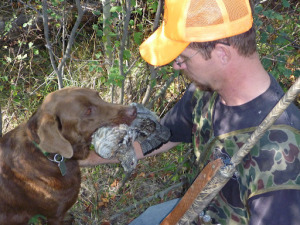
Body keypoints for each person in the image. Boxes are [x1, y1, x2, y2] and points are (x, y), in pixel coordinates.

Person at [80, 0, 300, 224]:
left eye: (183, 57)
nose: (176, 65)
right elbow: (162, 136)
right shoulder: (204, 92)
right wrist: (84, 158)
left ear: (222, 54)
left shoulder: (279, 155)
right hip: (194, 210)